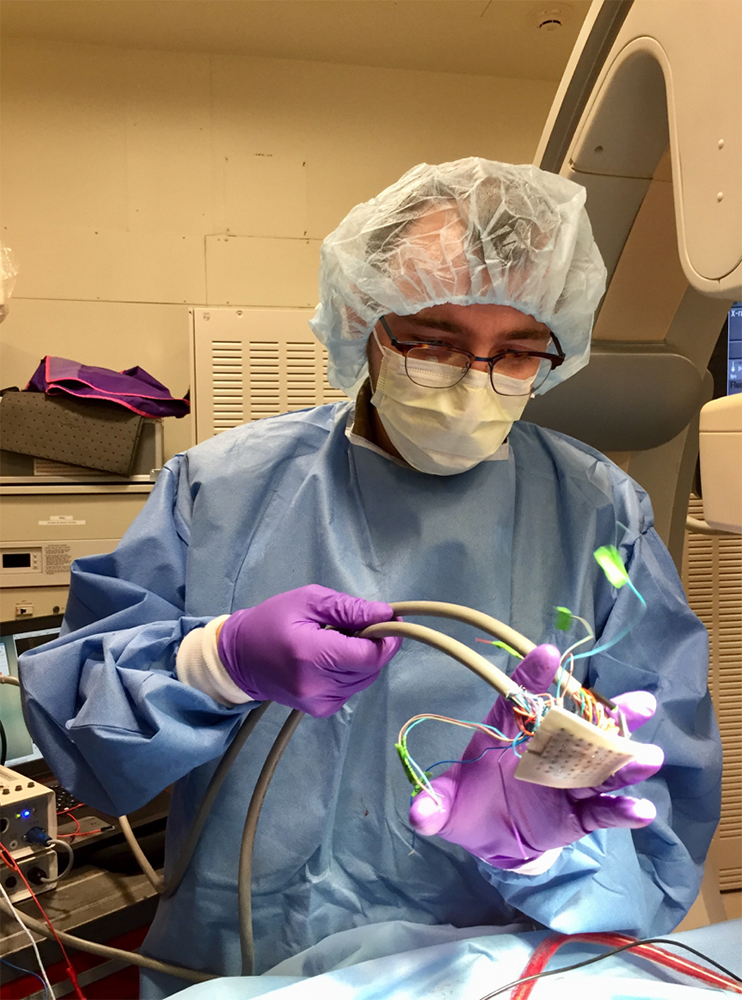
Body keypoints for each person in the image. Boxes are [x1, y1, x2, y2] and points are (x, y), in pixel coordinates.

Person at [19, 159, 721, 998]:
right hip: (247, 960)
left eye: (519, 353)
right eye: (434, 342)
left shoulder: (601, 513)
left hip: (493, 964)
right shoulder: (221, 487)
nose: (472, 383)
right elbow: (81, 743)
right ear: (362, 321)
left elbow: (657, 817)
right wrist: (214, 662)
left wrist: (542, 838)